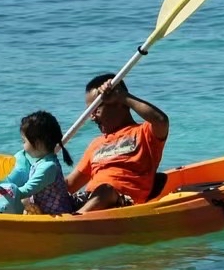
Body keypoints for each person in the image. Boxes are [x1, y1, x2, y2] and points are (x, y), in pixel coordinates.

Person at [66, 75, 169, 214]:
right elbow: (70, 184)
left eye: (95, 109)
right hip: (89, 200)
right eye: (89, 111)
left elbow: (161, 121)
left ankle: (76, 220)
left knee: (106, 190)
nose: (92, 117)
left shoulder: (143, 133)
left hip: (121, 202)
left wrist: (123, 96)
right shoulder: (96, 144)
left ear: (118, 103)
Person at [0, 111, 78, 216]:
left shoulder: (48, 167)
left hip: (57, 215)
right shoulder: (41, 161)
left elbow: (26, 190)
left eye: (24, 141)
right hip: (44, 210)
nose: (22, 146)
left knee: (15, 200)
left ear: (37, 143)